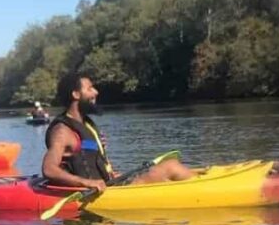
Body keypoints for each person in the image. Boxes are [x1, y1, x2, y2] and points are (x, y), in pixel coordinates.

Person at [42, 72, 194, 192]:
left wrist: (110, 173)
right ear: (76, 94)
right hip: (97, 193)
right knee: (171, 166)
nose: (96, 92)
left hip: (109, 185)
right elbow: (49, 169)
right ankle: (203, 191)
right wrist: (87, 182)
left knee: (170, 167)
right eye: (90, 89)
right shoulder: (62, 131)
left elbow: (87, 158)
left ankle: (196, 185)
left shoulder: (86, 124)